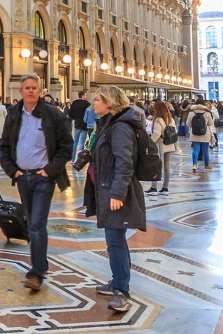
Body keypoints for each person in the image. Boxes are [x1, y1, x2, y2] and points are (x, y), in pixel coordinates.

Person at [0, 74, 73, 293]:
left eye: (34, 87)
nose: (30, 91)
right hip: (23, 178)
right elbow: (4, 147)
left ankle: (36, 273)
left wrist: (49, 171)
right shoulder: (13, 115)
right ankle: (41, 263)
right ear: (20, 91)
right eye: (26, 88)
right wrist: (13, 171)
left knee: (36, 224)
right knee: (31, 223)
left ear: (39, 90)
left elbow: (65, 147)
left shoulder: (53, 115)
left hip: (43, 179)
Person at [86, 86, 146, 313]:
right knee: (114, 239)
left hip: (114, 191)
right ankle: (117, 281)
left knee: (115, 240)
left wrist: (117, 193)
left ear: (109, 103)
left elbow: (125, 162)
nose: (94, 104)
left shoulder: (120, 127)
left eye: (98, 100)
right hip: (106, 188)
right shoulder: (108, 124)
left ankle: (122, 291)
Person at [146, 100, 175, 196]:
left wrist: (150, 143)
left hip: (160, 144)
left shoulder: (158, 119)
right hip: (170, 144)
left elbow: (157, 133)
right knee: (166, 167)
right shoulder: (170, 119)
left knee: (157, 165)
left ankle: (154, 187)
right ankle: (165, 188)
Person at [187, 98, 213, 172]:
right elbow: (210, 123)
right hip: (205, 133)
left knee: (195, 149)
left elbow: (188, 124)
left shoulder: (191, 113)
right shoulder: (207, 113)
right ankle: (206, 165)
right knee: (205, 150)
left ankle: (194, 165)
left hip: (194, 133)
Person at [69, 91, 92, 155]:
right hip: (84, 125)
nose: (86, 97)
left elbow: (70, 114)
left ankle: (72, 158)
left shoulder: (74, 103)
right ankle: (78, 158)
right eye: (85, 95)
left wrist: (75, 118)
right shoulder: (87, 104)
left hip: (77, 124)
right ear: (82, 96)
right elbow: (89, 114)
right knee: (81, 142)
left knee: (75, 141)